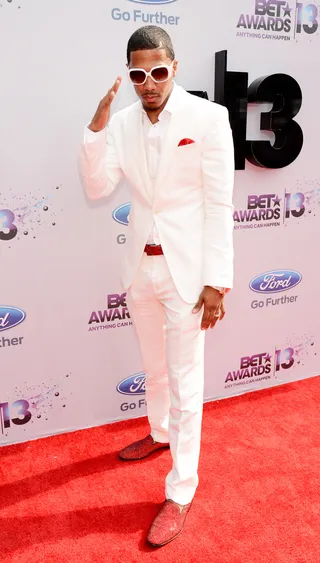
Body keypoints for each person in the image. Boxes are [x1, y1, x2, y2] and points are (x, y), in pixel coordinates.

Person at [78, 25, 234, 547]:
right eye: (138, 74)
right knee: (153, 366)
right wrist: (96, 129)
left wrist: (217, 281)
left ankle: (181, 489)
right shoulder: (121, 124)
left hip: (188, 274)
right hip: (139, 268)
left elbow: (219, 205)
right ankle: (160, 433)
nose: (149, 83)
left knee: (187, 381)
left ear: (174, 67)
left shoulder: (208, 119)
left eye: (158, 72)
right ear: (129, 74)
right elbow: (98, 186)